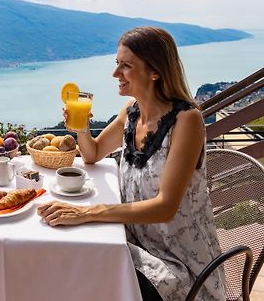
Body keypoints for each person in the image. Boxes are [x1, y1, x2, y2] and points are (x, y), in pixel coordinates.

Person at [38, 27, 226, 301]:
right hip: (135, 243)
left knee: (88, 276)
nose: (116, 74)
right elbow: (94, 153)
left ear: (155, 71)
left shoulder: (187, 121)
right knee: (70, 257)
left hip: (179, 264)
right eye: (117, 63)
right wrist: (80, 127)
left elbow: (165, 207)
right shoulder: (132, 111)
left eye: (126, 66)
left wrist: (88, 212)